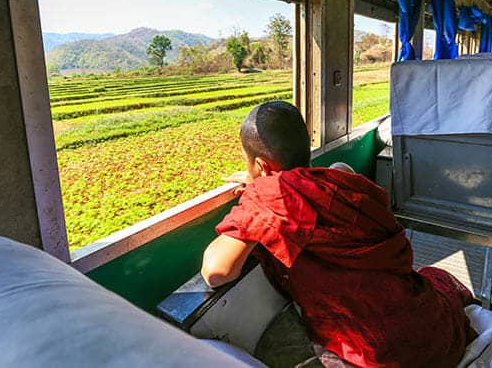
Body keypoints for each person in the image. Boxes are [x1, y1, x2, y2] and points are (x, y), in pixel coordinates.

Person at [201, 101, 476, 368]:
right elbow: (334, 176)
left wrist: (256, 194)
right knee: (433, 280)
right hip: (429, 326)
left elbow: (216, 272)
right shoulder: (341, 179)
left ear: (262, 167)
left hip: (379, 353)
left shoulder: (269, 197)